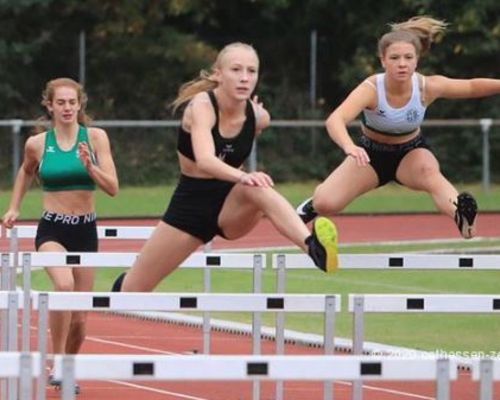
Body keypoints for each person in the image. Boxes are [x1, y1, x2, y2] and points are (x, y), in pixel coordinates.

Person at [111, 42, 338, 294]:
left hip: (230, 207)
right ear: (218, 74)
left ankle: (313, 247)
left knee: (259, 188)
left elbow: (254, 128)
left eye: (251, 71)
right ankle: (126, 282)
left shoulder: (259, 116)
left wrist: (246, 178)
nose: (244, 78)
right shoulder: (201, 106)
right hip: (190, 205)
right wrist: (243, 175)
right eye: (236, 70)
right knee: (132, 292)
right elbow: (206, 160)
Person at [297, 16, 500, 239]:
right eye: (394, 57)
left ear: (417, 60)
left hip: (411, 153)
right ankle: (313, 206)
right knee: (326, 202)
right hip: (370, 155)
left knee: (429, 172)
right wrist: (349, 146)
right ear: (383, 60)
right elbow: (335, 119)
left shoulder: (427, 87)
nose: (402, 63)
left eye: (408, 57)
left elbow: (471, 87)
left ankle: (461, 216)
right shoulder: (372, 88)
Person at [1, 77, 119, 393]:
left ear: (80, 105)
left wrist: (90, 167)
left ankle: (65, 367)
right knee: (63, 284)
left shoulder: (95, 138)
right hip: (52, 228)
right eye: (60, 102)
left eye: (72, 102)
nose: (67, 108)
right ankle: (56, 360)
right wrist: (14, 207)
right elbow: (26, 171)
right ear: (50, 105)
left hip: (86, 230)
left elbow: (113, 188)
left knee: (80, 319)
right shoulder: (38, 144)